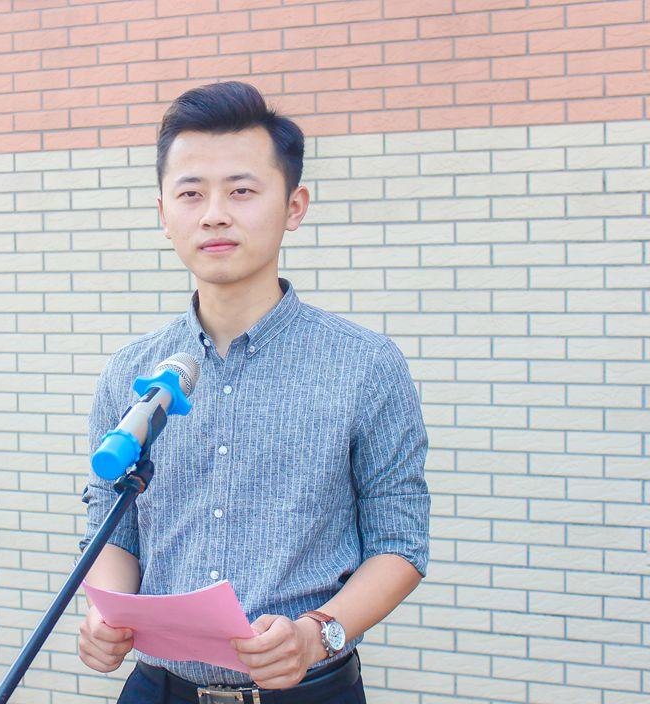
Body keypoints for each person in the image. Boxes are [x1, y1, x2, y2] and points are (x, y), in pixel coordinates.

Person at [77, 81, 430, 704]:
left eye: (241, 191)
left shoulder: (366, 365)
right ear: (163, 213)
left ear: (294, 206)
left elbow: (399, 544)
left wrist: (316, 634)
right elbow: (113, 526)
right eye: (191, 193)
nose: (214, 214)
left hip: (309, 692)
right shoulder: (132, 371)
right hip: (157, 690)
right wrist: (106, 614)